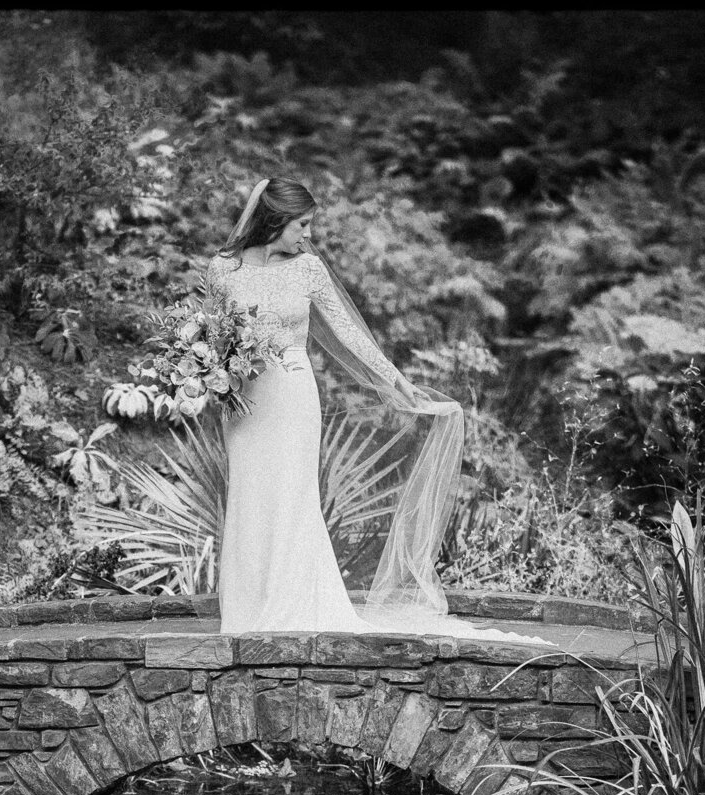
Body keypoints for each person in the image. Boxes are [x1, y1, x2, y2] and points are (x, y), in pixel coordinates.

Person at [206, 176, 550, 643]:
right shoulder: (223, 270)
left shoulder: (309, 269)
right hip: (243, 403)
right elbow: (211, 336)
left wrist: (396, 381)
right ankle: (245, 614)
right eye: (302, 224)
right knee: (249, 495)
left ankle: (292, 606)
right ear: (275, 220)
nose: (308, 234)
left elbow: (349, 333)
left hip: (291, 396)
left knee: (291, 495)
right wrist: (202, 371)